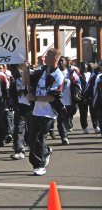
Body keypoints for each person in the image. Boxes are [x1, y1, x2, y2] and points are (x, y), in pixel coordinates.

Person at [27, 48, 65, 176]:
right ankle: (46, 151)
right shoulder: (43, 70)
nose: (44, 58)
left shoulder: (58, 75)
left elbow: (53, 97)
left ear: (55, 58)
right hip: (36, 110)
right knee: (29, 137)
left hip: (48, 112)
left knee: (38, 137)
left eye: (48, 55)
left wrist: (35, 98)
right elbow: (28, 78)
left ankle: (40, 165)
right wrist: (25, 68)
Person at [9, 64, 30, 160]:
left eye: (16, 70)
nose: (14, 73)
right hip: (20, 107)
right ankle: (19, 150)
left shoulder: (30, 77)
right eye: (13, 71)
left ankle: (38, 148)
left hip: (32, 107)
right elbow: (12, 95)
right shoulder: (14, 81)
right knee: (18, 129)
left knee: (31, 129)